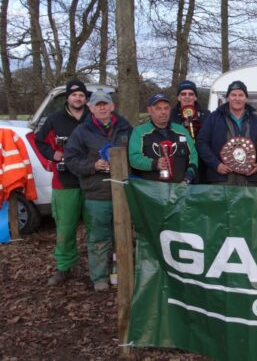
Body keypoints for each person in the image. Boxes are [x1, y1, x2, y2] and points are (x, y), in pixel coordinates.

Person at [64, 90, 132, 292]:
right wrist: (94, 165)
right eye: (97, 104)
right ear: (91, 108)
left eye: (106, 104)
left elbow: (136, 153)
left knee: (126, 235)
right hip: (97, 193)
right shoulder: (82, 132)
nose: (102, 107)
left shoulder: (126, 128)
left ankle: (124, 273)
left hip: (124, 191)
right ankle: (100, 278)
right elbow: (71, 159)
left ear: (112, 106)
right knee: (99, 238)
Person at [35, 79, 90, 286]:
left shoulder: (92, 117)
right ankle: (64, 266)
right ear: (67, 97)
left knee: (96, 227)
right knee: (66, 228)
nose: (78, 98)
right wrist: (53, 154)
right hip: (65, 181)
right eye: (74, 95)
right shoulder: (55, 119)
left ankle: (98, 267)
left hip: (91, 180)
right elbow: (38, 140)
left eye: (82, 95)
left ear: (86, 98)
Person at [196, 80, 257, 186]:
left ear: (246, 98)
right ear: (227, 97)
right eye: (233, 95)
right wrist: (216, 164)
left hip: (249, 181)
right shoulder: (214, 117)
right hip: (221, 180)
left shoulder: (256, 120)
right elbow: (201, 142)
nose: (237, 98)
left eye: (241, 95)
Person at [129, 93, 198, 183]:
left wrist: (187, 179)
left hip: (180, 188)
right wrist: (154, 164)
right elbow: (134, 158)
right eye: (158, 108)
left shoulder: (181, 130)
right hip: (150, 190)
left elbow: (193, 156)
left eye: (166, 108)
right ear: (149, 110)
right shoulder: (139, 132)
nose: (163, 112)